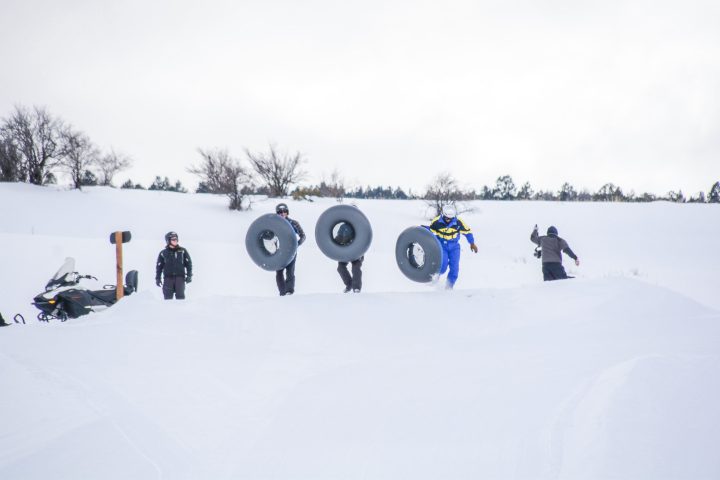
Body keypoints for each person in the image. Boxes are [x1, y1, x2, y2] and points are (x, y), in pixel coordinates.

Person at [427, 204, 478, 289]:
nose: (448, 220)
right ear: (443, 214)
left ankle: (449, 287)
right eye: (446, 218)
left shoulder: (458, 222)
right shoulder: (436, 222)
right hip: (442, 245)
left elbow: (467, 232)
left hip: (454, 247)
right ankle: (434, 279)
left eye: (450, 218)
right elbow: (430, 233)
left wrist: (472, 243)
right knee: (442, 266)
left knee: (454, 269)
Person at [275, 203, 305, 296]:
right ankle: (282, 292)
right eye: (280, 212)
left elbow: (303, 236)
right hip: (278, 251)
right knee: (279, 272)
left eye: (284, 211)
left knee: (290, 271)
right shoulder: (274, 224)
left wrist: (297, 244)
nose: (282, 213)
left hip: (291, 251)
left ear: (287, 212)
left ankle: (289, 291)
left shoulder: (294, 223)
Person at [155, 231, 193, 299]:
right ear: (168, 240)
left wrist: (189, 275)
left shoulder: (182, 251)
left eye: (176, 239)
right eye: (173, 239)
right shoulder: (163, 253)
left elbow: (188, 264)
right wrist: (158, 278)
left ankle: (181, 309)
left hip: (180, 278)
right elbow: (159, 267)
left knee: (180, 298)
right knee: (167, 299)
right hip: (168, 279)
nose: (175, 240)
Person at [334, 223, 363, 293]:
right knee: (340, 268)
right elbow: (338, 239)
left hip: (357, 251)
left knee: (356, 268)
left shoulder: (357, 227)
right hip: (345, 252)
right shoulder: (343, 227)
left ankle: (356, 288)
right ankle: (349, 285)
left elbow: (362, 239)